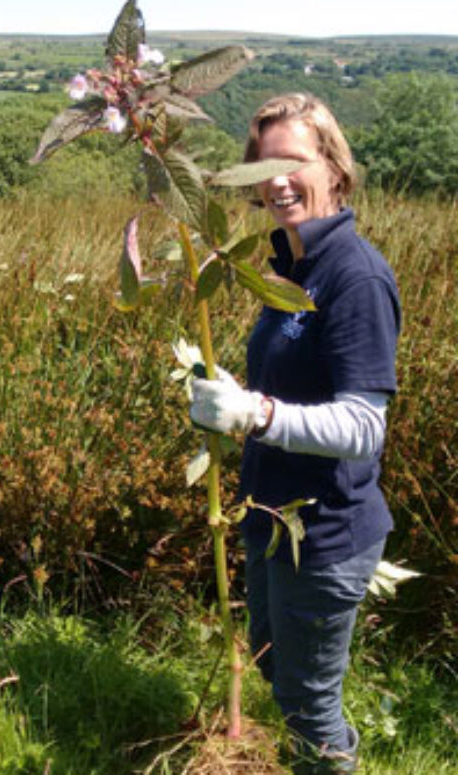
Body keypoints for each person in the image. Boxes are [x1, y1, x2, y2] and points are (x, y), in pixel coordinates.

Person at [188, 94, 400, 774]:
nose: (277, 179)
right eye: (265, 163)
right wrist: (214, 383)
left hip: (326, 535)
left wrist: (256, 413)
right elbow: (289, 374)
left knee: (311, 708)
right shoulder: (289, 264)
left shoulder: (355, 276)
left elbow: (365, 425)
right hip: (271, 520)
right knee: (279, 673)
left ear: (334, 168)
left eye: (295, 160)